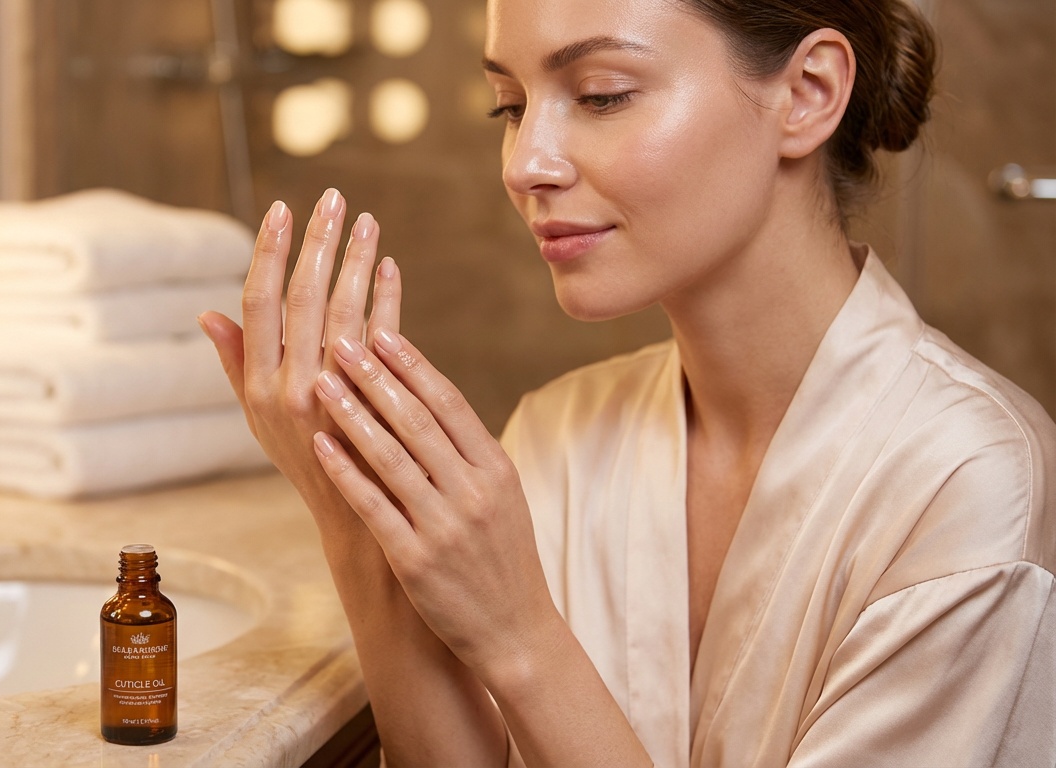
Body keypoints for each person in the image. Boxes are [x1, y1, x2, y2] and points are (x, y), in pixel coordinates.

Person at [198, 0, 1056, 764]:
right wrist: (351, 516)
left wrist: (521, 638)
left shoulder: (970, 482)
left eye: (602, 94)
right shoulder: (558, 434)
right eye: (511, 104)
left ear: (808, 93)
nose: (525, 162)